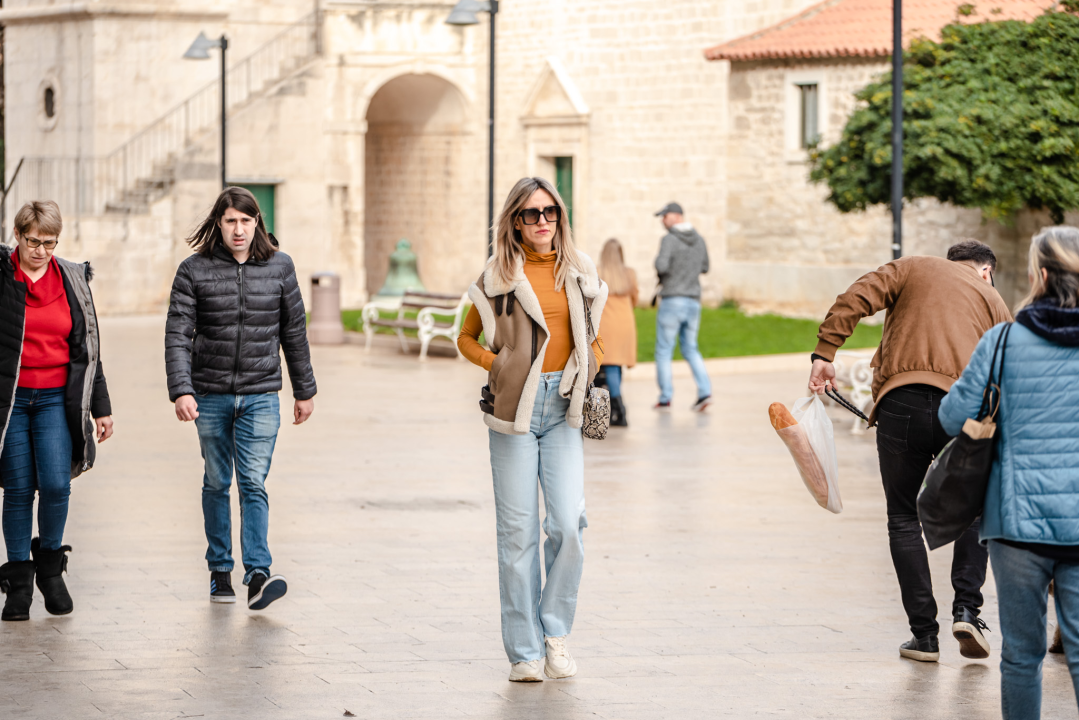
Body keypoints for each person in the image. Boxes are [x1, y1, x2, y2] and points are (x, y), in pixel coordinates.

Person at [809, 240, 1011, 663]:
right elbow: (1010, 370)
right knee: (977, 512)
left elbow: (856, 296)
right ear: (986, 271)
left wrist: (825, 352)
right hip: (964, 411)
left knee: (903, 518)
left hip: (900, 403)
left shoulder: (913, 267)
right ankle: (967, 611)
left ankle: (924, 637)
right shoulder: (992, 299)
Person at [457, 177, 606, 682]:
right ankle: (524, 652)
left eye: (550, 211)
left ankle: (555, 633)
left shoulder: (581, 271)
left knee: (568, 524)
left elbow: (593, 335)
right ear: (515, 223)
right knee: (517, 535)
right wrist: (496, 365)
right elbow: (466, 337)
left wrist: (589, 364)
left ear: (560, 216)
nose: (543, 221)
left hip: (563, 409)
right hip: (514, 413)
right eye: (531, 213)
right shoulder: (497, 276)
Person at [940, 227, 1079, 719]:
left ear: (1040, 275)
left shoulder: (1002, 342)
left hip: (1016, 524)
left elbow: (952, 417)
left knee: (1022, 655)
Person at [165, 187, 316, 611]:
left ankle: (258, 574)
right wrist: (182, 389)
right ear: (219, 223)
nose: (238, 229)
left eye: (246, 221)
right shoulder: (193, 270)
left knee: (253, 481)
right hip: (210, 394)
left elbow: (294, 332)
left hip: (261, 393)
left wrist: (304, 390)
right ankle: (219, 569)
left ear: (257, 223)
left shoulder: (280, 267)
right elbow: (178, 333)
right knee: (217, 481)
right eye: (230, 220)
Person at [0, 200, 113, 621]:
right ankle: (18, 584)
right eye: (33, 242)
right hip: (12, 401)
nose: (41, 251)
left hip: (54, 398)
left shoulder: (72, 279)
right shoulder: (3, 275)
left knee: (55, 484)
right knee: (18, 489)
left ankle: (49, 568)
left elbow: (89, 349)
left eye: (50, 243)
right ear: (17, 235)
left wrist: (101, 407)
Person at [653, 202, 711, 411]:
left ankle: (665, 397)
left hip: (672, 300)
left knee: (663, 350)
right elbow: (705, 267)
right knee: (691, 348)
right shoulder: (699, 239)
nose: (662, 220)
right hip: (693, 300)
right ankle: (705, 392)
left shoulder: (669, 239)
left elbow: (661, 265)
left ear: (676, 216)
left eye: (665, 216)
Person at [597, 238, 638, 427]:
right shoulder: (629, 274)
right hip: (625, 324)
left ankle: (620, 410)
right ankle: (615, 409)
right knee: (616, 365)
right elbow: (635, 299)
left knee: (610, 365)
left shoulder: (598, 273)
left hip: (606, 324)